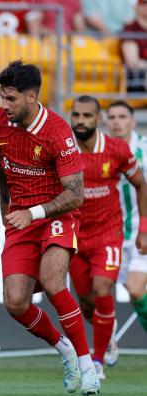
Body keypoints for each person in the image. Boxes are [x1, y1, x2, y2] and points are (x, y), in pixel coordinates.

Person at [0, 60, 100, 396]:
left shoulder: (57, 132)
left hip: (54, 215)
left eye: (11, 99)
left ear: (32, 96)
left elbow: (75, 195)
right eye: (2, 97)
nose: (3, 105)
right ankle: (63, 349)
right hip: (20, 219)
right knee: (15, 302)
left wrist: (34, 213)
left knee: (53, 282)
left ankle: (86, 364)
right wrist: (4, 205)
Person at [68, 95, 147, 380]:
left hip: (110, 232)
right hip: (76, 238)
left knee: (108, 288)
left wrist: (145, 229)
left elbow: (141, 185)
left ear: (97, 120)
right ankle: (107, 333)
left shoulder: (119, 150)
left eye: (87, 116)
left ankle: (97, 361)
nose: (81, 121)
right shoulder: (64, 150)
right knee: (87, 301)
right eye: (76, 115)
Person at [106, 100, 147, 356]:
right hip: (110, 234)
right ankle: (106, 340)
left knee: (134, 288)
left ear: (132, 121)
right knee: (100, 290)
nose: (117, 121)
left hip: (141, 233)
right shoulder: (100, 150)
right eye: (112, 117)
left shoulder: (144, 149)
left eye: (122, 116)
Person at [120, 0, 147, 93]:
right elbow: (132, 63)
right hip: (136, 78)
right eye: (144, 2)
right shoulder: (130, 29)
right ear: (137, 6)